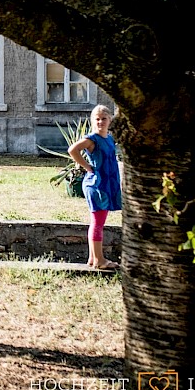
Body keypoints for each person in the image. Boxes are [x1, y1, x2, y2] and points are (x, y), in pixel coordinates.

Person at [68, 104, 122, 270]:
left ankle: (93, 258)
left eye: (104, 119)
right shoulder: (92, 139)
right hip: (97, 184)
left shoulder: (110, 138)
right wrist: (87, 167)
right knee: (98, 222)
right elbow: (73, 150)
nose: (100, 122)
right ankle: (99, 260)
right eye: (97, 119)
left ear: (110, 120)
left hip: (107, 183)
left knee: (98, 221)